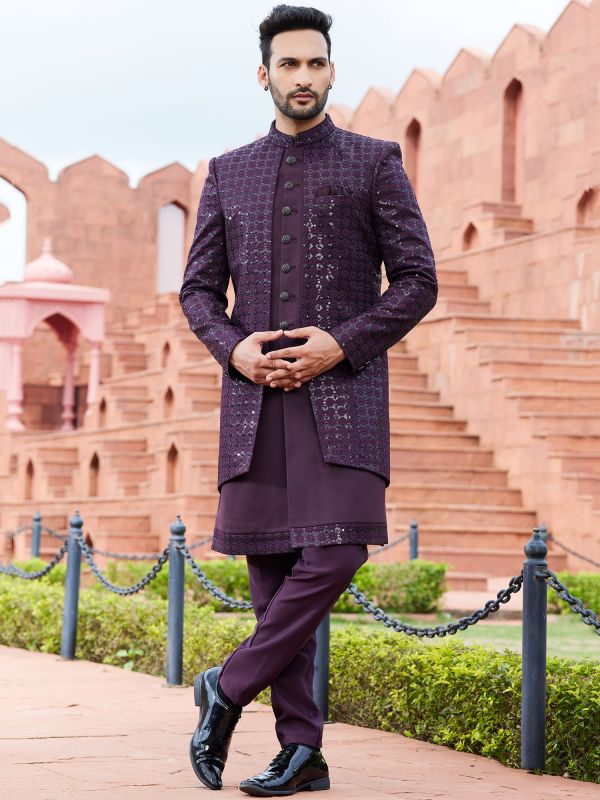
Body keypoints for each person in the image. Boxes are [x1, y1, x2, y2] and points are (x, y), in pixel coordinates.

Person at [178, 4, 437, 794]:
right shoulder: (227, 172)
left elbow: (420, 280)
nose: (302, 77)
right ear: (265, 75)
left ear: (332, 70)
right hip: (255, 409)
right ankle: (302, 752)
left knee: (339, 548)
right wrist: (235, 349)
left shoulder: (373, 161)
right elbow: (197, 293)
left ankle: (223, 689)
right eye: (288, 65)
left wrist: (342, 342)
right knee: (270, 570)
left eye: (315, 64)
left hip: (344, 402)